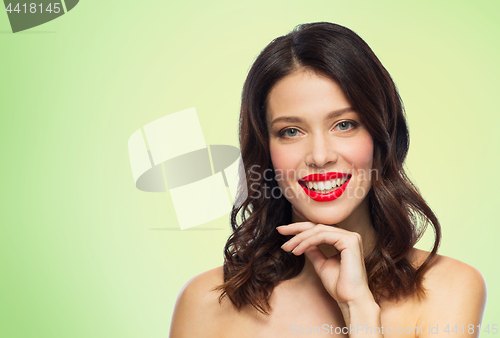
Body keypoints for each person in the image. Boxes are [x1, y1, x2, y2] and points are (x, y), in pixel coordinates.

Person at [169, 22, 486, 337]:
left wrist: (360, 311)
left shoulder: (447, 290)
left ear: (381, 134)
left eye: (344, 124)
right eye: (291, 131)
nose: (320, 157)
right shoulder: (205, 303)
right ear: (266, 150)